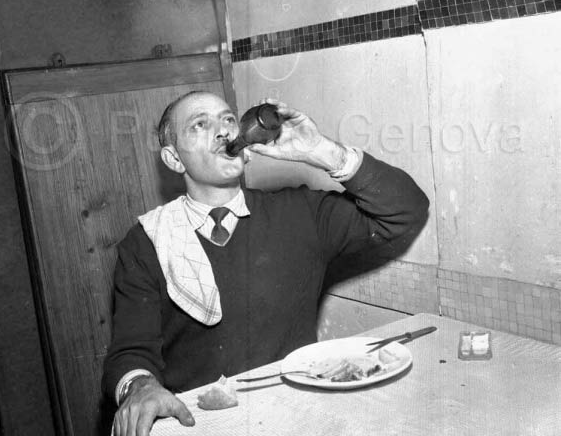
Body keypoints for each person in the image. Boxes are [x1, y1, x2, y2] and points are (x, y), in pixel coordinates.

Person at [103, 91, 429, 436]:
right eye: (200, 124)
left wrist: (321, 150)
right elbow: (131, 350)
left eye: (229, 120)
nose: (223, 131)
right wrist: (141, 387)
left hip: (301, 417)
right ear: (173, 159)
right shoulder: (147, 241)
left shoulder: (302, 212)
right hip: (203, 424)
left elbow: (406, 211)